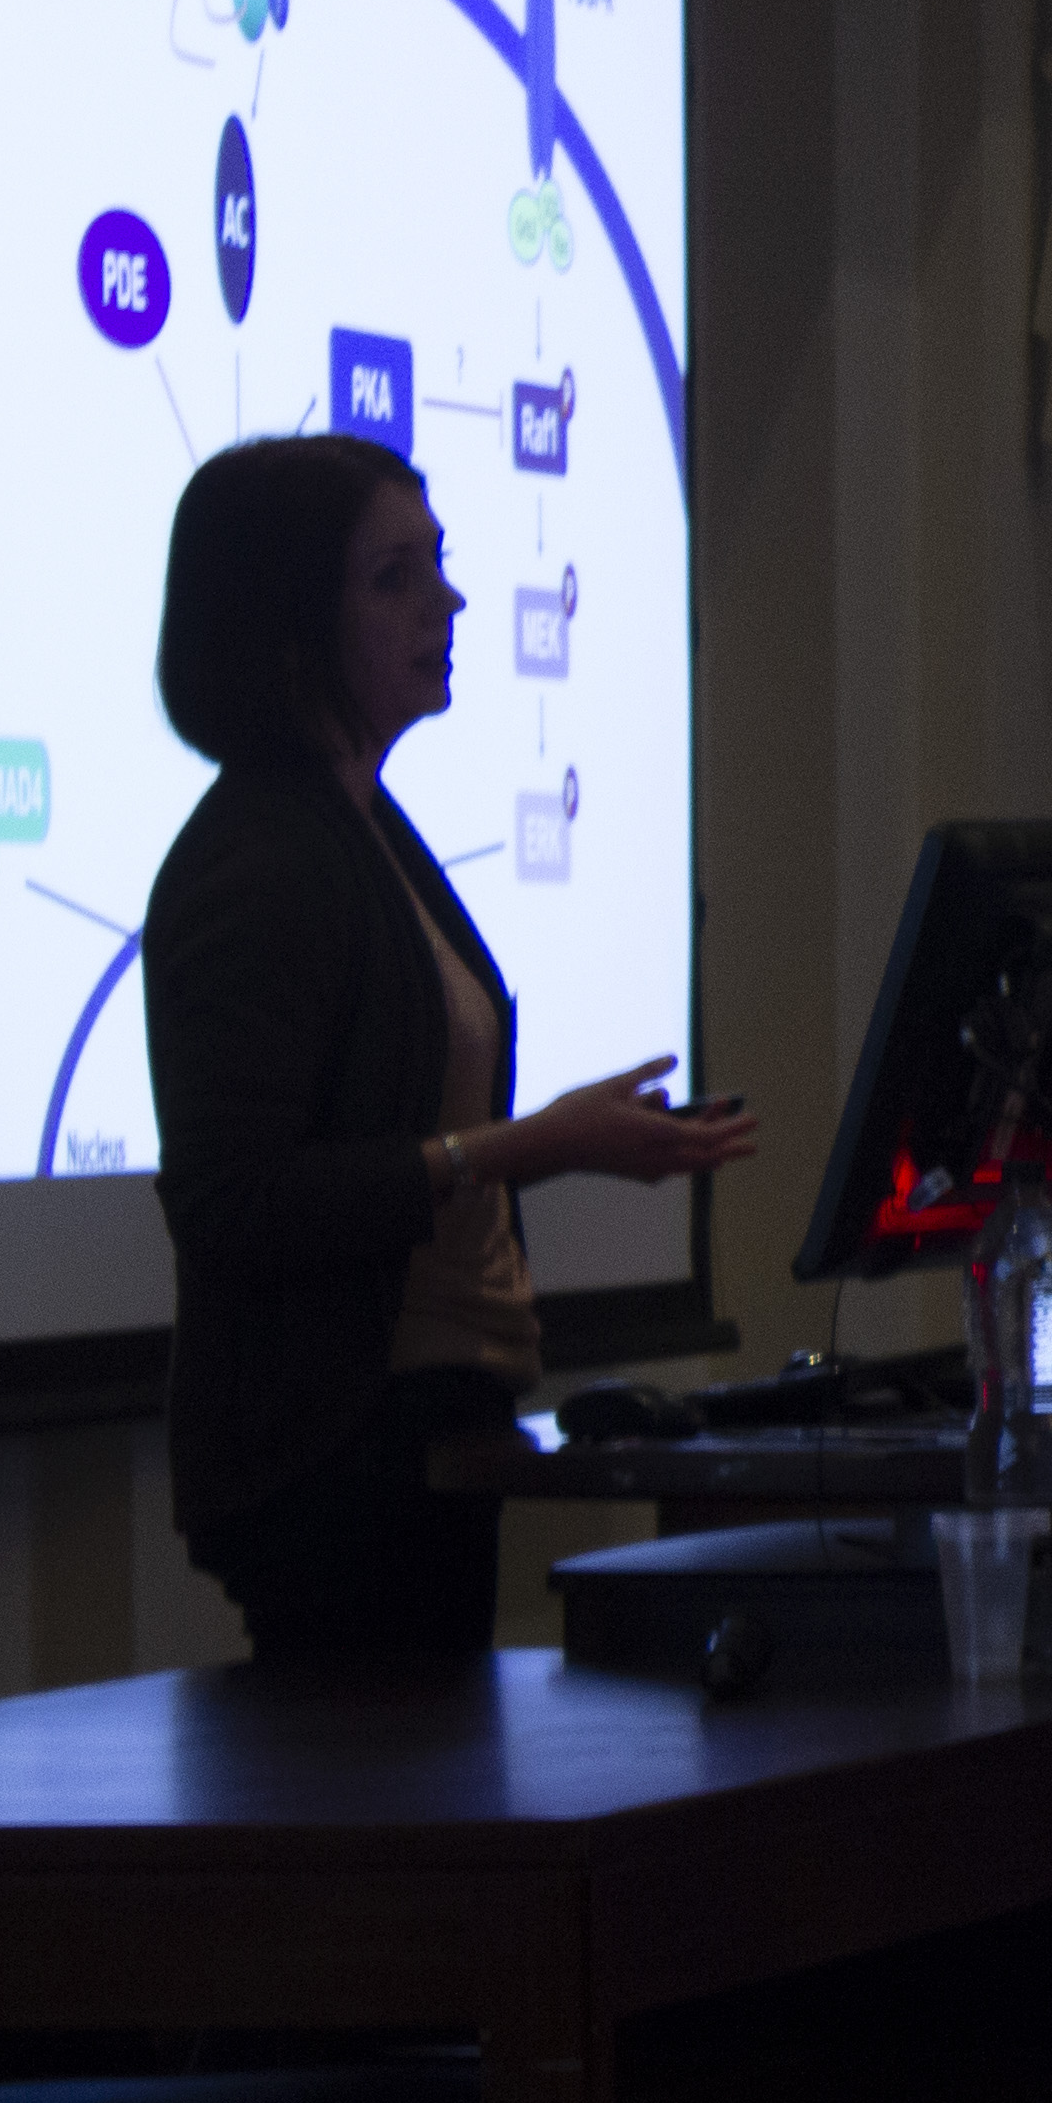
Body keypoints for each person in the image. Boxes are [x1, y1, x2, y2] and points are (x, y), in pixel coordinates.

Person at [142, 436, 755, 1658]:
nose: (450, 602)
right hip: (334, 1464)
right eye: (395, 578)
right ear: (290, 627)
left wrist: (549, 1140)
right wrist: (523, 1148)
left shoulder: (359, 824)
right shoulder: (258, 861)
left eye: (441, 564)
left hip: (421, 1434)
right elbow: (233, 1202)